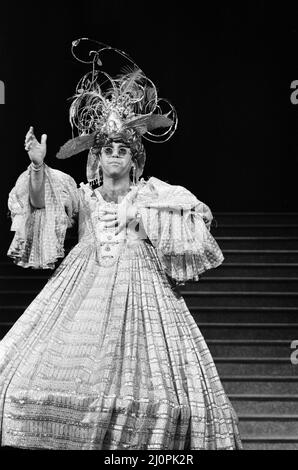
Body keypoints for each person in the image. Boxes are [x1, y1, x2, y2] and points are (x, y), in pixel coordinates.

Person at [0, 39, 242, 450]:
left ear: (134, 159)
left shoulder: (151, 192)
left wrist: (144, 218)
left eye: (122, 150)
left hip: (143, 288)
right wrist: (39, 166)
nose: (114, 155)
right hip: (81, 286)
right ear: (96, 157)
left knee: (162, 400)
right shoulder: (81, 193)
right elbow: (41, 204)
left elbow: (198, 217)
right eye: (107, 149)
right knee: (23, 373)